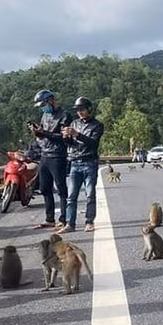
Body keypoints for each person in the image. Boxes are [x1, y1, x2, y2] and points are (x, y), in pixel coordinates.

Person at [60, 97, 104, 233]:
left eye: (82, 110)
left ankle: (89, 221)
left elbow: (93, 143)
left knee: (90, 194)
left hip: (89, 162)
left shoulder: (97, 125)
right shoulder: (74, 123)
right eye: (78, 110)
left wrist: (77, 135)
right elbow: (71, 144)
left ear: (89, 109)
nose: (80, 112)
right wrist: (66, 138)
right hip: (74, 162)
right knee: (71, 195)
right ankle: (69, 224)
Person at [29, 90, 72, 230]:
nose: (43, 108)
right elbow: (43, 135)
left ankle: (64, 219)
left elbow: (63, 137)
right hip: (45, 154)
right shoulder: (45, 115)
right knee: (44, 188)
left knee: (61, 189)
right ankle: (49, 219)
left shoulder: (65, 116)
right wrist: (37, 132)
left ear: (51, 101)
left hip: (58, 155)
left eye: (44, 104)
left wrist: (44, 133)